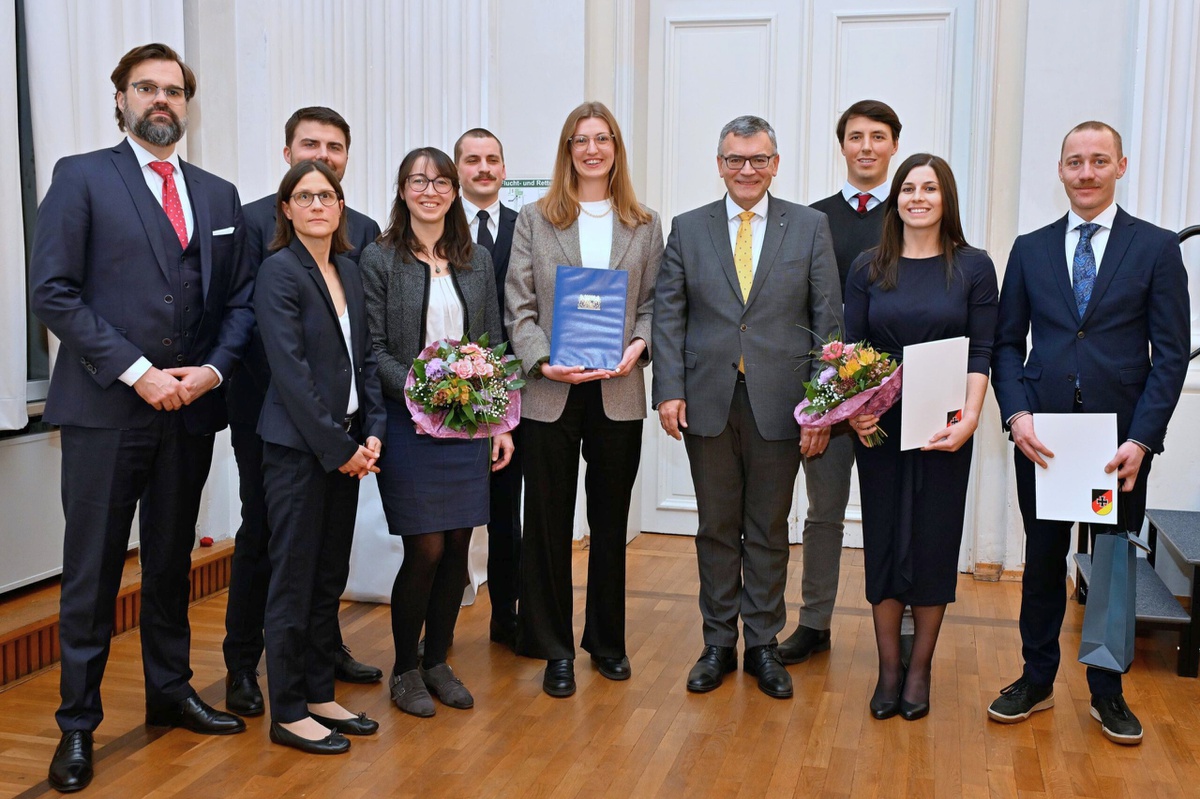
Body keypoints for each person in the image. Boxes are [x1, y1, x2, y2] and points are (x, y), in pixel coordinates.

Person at [29, 43, 252, 792]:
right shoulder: (81, 177)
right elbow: (54, 292)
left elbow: (240, 301)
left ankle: (170, 688)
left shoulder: (219, 196)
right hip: (104, 410)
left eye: (174, 90)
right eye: (146, 88)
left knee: (169, 562)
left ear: (188, 104)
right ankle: (77, 728)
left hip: (189, 413)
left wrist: (210, 371)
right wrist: (138, 372)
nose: (162, 100)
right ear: (120, 98)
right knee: (92, 572)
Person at [988, 121, 1190, 745]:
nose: (1086, 172)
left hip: (1118, 446)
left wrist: (1143, 441)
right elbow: (1003, 344)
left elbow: (1171, 355)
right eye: (1074, 161)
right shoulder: (1030, 248)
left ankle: (1107, 691)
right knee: (1044, 561)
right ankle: (1036, 680)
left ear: (1120, 166)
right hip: (1042, 440)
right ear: (1060, 169)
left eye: (1098, 160)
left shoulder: (1155, 248)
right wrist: (1016, 418)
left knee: (1109, 564)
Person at [652, 115, 842, 699]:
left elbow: (827, 322)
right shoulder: (688, 228)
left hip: (781, 406)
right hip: (706, 401)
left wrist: (820, 407)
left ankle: (761, 643)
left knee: (767, 527)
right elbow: (668, 314)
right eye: (735, 159)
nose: (747, 170)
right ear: (719, 164)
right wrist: (669, 389)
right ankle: (717, 643)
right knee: (715, 527)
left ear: (776, 164)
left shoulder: (809, 227)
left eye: (758, 159)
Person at [223, 106, 382, 720]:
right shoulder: (255, 233)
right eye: (311, 146)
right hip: (277, 423)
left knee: (324, 564)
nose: (319, 197)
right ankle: (249, 668)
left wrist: (364, 433)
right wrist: (325, 437)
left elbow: (362, 348)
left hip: (339, 430)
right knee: (270, 546)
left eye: (335, 148)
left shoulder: (357, 241)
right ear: (287, 158)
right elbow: (248, 328)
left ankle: (320, 677)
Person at [505, 101, 663, 698]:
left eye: (602, 139)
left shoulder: (645, 223)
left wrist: (640, 346)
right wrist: (544, 360)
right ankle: (553, 647)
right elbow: (517, 305)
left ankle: (607, 640)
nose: (592, 149)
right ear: (567, 150)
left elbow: (653, 303)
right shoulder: (535, 219)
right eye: (580, 140)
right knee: (545, 524)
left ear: (616, 148)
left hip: (618, 391)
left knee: (609, 520)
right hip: (550, 392)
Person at [844, 154, 998, 721]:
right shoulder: (868, 265)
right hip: (879, 424)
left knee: (932, 541)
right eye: (908, 187)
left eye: (929, 188)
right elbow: (852, 347)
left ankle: (919, 669)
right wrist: (855, 411)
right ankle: (888, 669)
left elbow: (981, 351)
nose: (918, 197)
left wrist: (972, 417)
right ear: (896, 198)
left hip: (944, 422)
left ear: (945, 198)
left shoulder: (974, 267)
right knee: (883, 538)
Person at [361, 147, 513, 717]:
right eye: (418, 180)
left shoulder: (475, 259)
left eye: (440, 181)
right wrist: (427, 391)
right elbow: (373, 350)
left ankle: (439, 659)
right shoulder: (379, 259)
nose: (430, 189)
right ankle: (405, 669)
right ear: (402, 190)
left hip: (469, 425)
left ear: (453, 191)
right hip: (408, 424)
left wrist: (497, 419)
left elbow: (493, 342)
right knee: (423, 547)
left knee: (457, 547)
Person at [255, 160, 386, 754]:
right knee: (293, 578)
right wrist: (341, 452)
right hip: (298, 452)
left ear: (339, 207)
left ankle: (316, 693)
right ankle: (286, 711)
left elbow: (364, 361)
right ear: (286, 208)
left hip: (349, 446)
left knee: (327, 576)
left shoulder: (350, 272)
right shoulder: (278, 273)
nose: (315, 205)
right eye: (303, 196)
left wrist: (372, 434)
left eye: (326, 196)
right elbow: (292, 375)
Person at [780, 100, 903, 665]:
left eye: (878, 137)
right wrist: (822, 402)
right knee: (823, 513)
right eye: (856, 137)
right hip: (828, 399)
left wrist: (884, 390)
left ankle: (899, 622)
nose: (867, 147)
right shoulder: (812, 219)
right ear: (843, 146)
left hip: (893, 403)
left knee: (896, 514)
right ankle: (814, 622)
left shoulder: (913, 213)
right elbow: (800, 311)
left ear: (894, 146)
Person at [455, 128, 522, 649]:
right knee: (450, 517)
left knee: (506, 514)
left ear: (504, 169)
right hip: (449, 395)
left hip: (512, 391)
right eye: (472, 160)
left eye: (492, 160)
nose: (483, 168)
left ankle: (507, 618)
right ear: (458, 169)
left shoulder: (530, 228)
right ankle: (441, 624)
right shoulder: (435, 227)